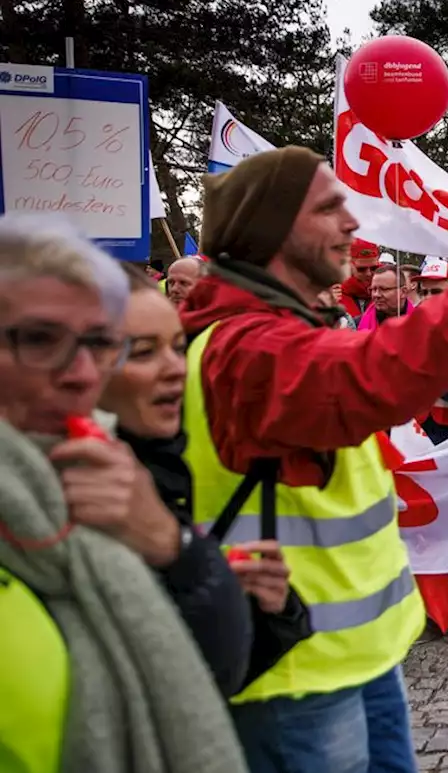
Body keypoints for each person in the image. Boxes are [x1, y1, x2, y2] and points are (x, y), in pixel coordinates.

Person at [181, 145, 448, 771]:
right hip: (293, 677)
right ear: (270, 226)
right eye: (330, 209)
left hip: (353, 657)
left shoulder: (289, 327)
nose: (353, 226)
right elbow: (380, 370)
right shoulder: (244, 349)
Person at [0, 215, 249, 773]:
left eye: (96, 344)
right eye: (40, 339)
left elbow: (216, 667)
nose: (81, 373)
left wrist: (181, 555)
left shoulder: (101, 473)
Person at [103, 266, 304, 690]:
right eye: (142, 351)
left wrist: (270, 611)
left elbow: (201, 679)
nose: (177, 369)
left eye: (179, 348)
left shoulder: (158, 466)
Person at [358, 265, 415, 331]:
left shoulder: (421, 323)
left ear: (403, 292)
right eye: (373, 289)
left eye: (383, 289)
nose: (376, 295)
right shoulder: (358, 324)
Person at [338, 237, 380, 319]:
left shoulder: (392, 285)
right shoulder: (333, 292)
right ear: (348, 265)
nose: (368, 273)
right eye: (361, 269)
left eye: (374, 268)